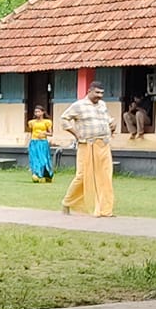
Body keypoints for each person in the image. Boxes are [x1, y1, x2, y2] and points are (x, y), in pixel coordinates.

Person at [59, 85, 115, 217]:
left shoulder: (102, 105)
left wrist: (112, 124)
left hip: (103, 144)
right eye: (97, 92)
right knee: (83, 176)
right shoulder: (79, 105)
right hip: (87, 144)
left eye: (102, 93)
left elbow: (107, 118)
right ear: (89, 91)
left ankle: (104, 209)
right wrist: (76, 134)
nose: (99, 96)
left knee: (105, 176)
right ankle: (67, 202)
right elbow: (64, 119)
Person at [26, 106, 56, 182]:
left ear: (43, 112)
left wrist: (44, 133)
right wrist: (28, 143)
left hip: (43, 143)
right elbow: (30, 133)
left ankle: (46, 174)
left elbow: (51, 133)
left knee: (44, 160)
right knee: (35, 159)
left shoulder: (47, 122)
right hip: (34, 142)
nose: (37, 113)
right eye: (35, 112)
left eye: (38, 111)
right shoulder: (31, 122)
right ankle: (36, 174)